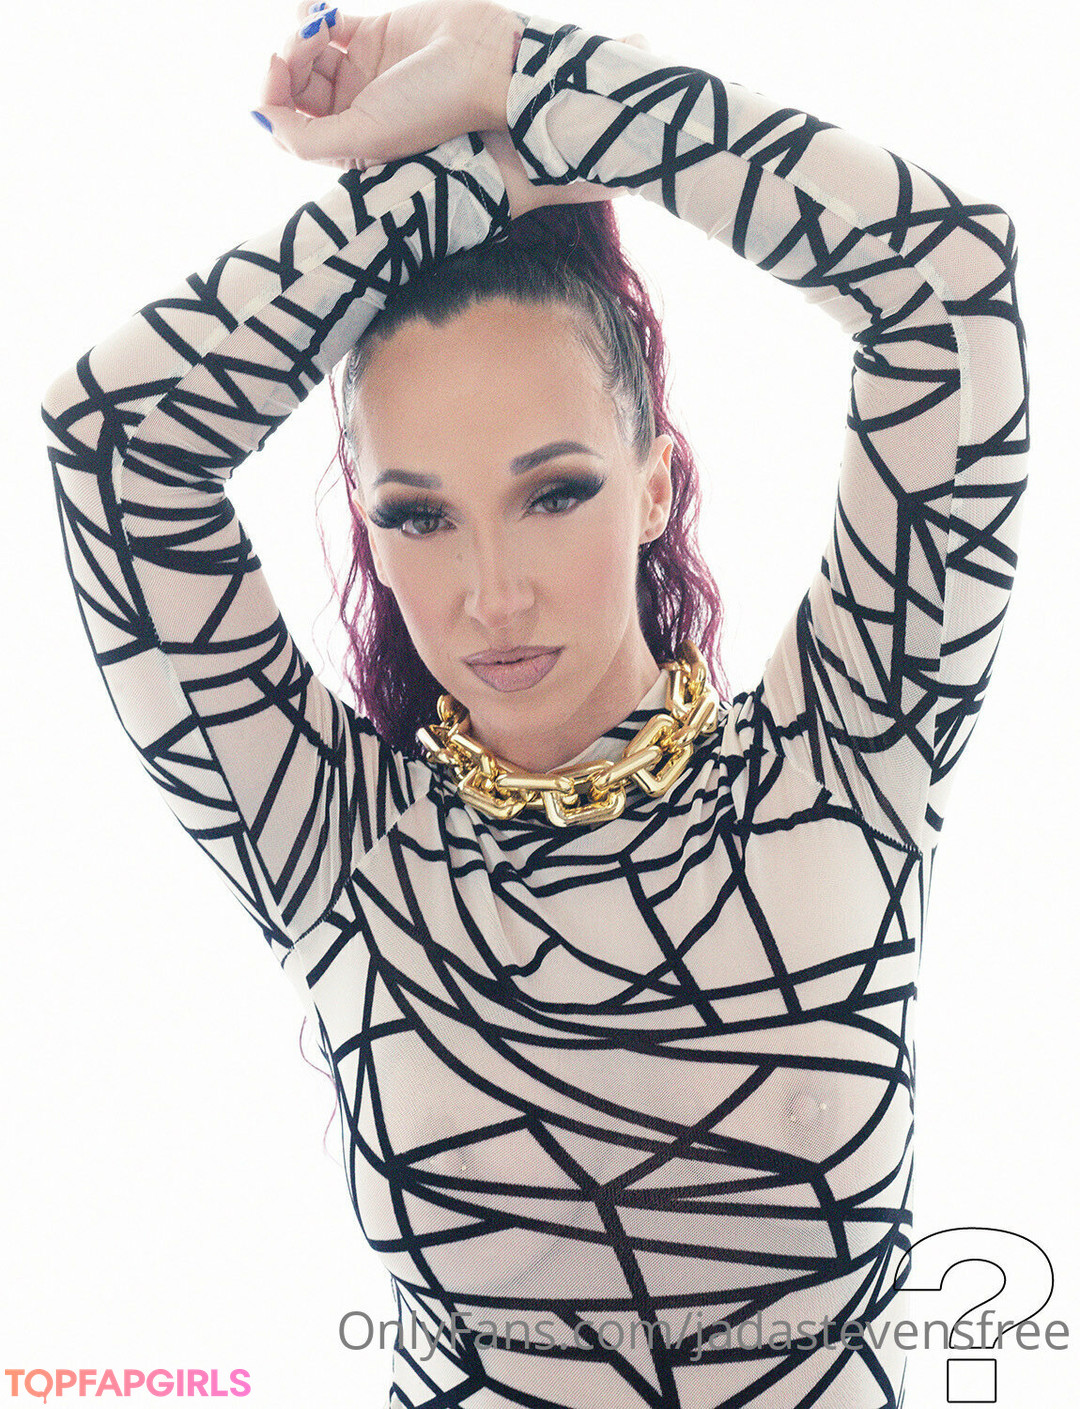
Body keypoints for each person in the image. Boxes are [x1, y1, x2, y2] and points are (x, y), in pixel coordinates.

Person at [40, 1, 1028, 1405]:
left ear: (657, 482)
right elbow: (111, 436)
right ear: (368, 528)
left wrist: (518, 74)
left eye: (553, 493)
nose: (491, 596)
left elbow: (950, 276)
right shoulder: (339, 845)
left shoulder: (849, 754)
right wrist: (472, 182)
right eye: (419, 516)